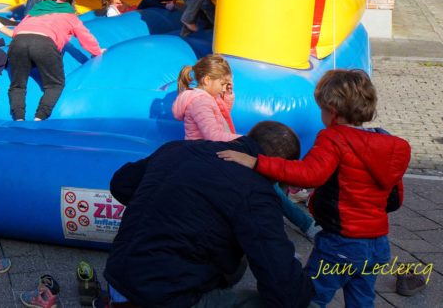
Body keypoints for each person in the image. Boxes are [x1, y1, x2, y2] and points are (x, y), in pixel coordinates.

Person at [218, 70, 411, 307]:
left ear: (332, 110)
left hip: (342, 243)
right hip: (377, 245)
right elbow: (395, 199)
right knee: (362, 299)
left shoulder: (334, 138)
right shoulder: (388, 144)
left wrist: (257, 162)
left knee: (309, 297)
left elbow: (309, 174)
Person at [104, 121, 314, 307]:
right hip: (163, 297)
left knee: (236, 256)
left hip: (118, 280)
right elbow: (285, 289)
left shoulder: (178, 148)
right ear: (279, 168)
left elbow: (121, 184)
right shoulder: (256, 192)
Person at [174, 55, 317, 240]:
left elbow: (221, 115)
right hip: (207, 158)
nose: (224, 87)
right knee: (264, 182)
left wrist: (227, 95)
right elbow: (213, 135)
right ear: (207, 80)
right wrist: (247, 141)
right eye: (223, 84)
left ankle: (288, 215)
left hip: (213, 152)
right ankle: (302, 224)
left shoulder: (207, 97)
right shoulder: (201, 102)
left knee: (267, 181)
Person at [7, 0, 102, 121]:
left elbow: (17, 30)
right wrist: (97, 51)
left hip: (18, 41)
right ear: (69, 3)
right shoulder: (69, 16)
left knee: (17, 85)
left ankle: (18, 118)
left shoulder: (35, 10)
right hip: (44, 43)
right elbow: (85, 36)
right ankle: (40, 117)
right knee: (55, 85)